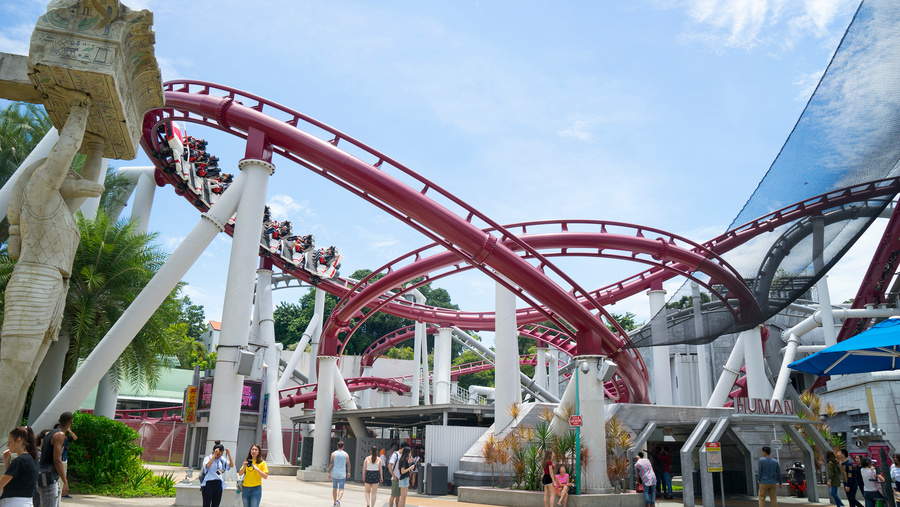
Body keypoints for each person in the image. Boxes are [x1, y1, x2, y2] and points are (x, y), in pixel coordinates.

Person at [37, 412, 74, 507]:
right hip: (49, 477)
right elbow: (57, 460)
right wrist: (65, 481)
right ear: (71, 422)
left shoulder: (50, 433)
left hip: (44, 475)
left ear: (59, 420)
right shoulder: (59, 435)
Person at [1, 426, 38, 507]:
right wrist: (7, 462)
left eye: (9, 442)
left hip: (13, 503)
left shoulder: (20, 460)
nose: (8, 445)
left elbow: (1, 484)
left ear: (18, 440)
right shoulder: (32, 459)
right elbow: (13, 481)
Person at [200, 441, 233, 507]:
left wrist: (229, 454)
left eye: (221, 454)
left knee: (216, 504)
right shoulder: (208, 458)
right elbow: (208, 465)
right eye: (218, 454)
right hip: (208, 483)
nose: (219, 456)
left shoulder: (222, 459)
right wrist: (214, 455)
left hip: (218, 483)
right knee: (206, 504)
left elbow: (231, 465)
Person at [55, 422, 76, 499]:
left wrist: (69, 431)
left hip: (64, 460)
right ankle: (58, 492)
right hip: (58, 460)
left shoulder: (66, 437)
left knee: (63, 476)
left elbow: (75, 438)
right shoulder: (55, 437)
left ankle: (63, 492)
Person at [329, 441, 350, 507]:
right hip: (342, 474)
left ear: (337, 446)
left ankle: (335, 502)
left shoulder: (333, 454)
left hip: (335, 473)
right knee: (341, 489)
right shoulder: (346, 454)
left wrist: (329, 472)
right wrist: (348, 472)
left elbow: (331, 464)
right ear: (343, 447)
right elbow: (348, 464)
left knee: (334, 488)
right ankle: (338, 500)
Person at [388, 443, 406, 507]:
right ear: (403, 448)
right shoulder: (395, 455)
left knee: (398, 496)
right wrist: (393, 475)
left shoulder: (401, 455)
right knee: (393, 495)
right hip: (395, 477)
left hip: (400, 477)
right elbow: (389, 466)